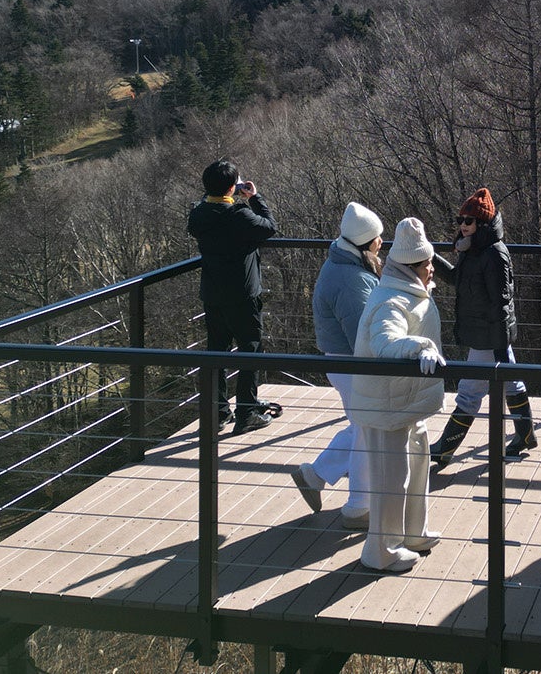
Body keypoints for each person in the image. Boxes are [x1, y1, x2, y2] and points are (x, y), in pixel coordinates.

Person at [350, 217, 448, 573]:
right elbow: (385, 342)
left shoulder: (406, 291)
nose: (432, 268)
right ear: (411, 269)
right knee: (391, 479)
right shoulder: (391, 301)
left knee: (417, 465)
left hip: (405, 400)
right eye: (427, 264)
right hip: (387, 405)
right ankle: (381, 551)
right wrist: (420, 346)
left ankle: (412, 534)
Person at [290, 201, 385, 528]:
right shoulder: (351, 278)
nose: (381, 244)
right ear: (366, 242)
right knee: (367, 430)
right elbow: (364, 333)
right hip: (352, 365)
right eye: (378, 239)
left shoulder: (345, 263)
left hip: (343, 361)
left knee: (363, 426)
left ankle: (315, 476)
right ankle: (358, 506)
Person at [429, 187, 536, 466]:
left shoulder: (493, 254)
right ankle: (525, 435)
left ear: (483, 223)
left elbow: (501, 302)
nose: (463, 226)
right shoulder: (472, 249)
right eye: (460, 220)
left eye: (469, 221)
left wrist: (500, 347)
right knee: (511, 382)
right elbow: (457, 280)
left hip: (490, 334)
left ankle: (444, 448)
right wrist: (430, 257)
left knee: (469, 392)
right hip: (484, 331)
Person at [186, 159, 279, 435]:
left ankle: (217, 412)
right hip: (243, 294)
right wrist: (254, 197)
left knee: (217, 352)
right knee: (250, 351)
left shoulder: (198, 215)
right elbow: (269, 226)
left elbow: (209, 204)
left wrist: (225, 192)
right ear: (231, 187)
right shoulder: (239, 214)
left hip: (213, 294)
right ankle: (246, 412)